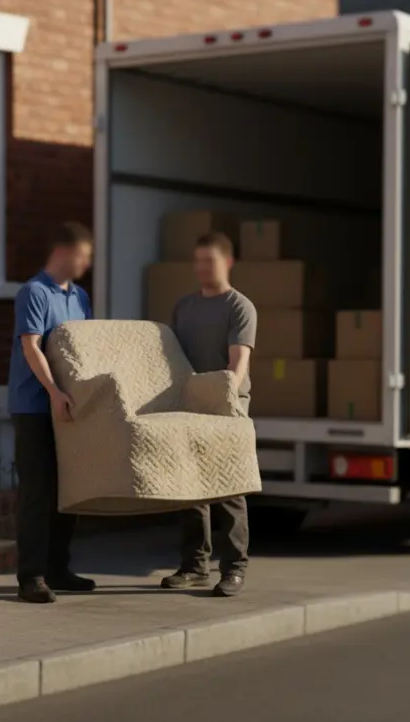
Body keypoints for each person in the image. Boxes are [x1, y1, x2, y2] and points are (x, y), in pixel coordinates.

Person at [160, 231, 257, 598]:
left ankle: (234, 569)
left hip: (227, 405)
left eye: (209, 261)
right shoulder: (183, 307)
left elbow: (239, 364)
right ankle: (194, 567)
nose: (202, 268)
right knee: (190, 488)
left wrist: (224, 402)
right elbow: (173, 360)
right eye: (197, 261)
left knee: (230, 487)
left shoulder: (239, 307)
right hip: (190, 405)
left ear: (227, 262)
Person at [8, 221, 98, 604]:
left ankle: (59, 569)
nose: (86, 264)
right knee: (37, 493)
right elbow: (32, 348)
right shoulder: (33, 292)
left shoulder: (80, 297)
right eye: (82, 256)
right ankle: (32, 576)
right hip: (35, 406)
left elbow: (84, 349)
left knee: (68, 491)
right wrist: (54, 392)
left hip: (70, 406)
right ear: (63, 252)